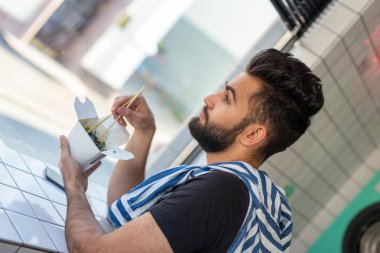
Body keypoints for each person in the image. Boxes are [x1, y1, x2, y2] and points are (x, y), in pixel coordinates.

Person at [59, 48, 324, 253]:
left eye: (227, 98)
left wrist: (74, 186)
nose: (210, 98)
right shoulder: (250, 196)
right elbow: (133, 221)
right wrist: (144, 132)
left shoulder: (220, 193)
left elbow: (90, 250)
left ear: (253, 134)